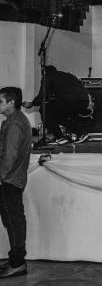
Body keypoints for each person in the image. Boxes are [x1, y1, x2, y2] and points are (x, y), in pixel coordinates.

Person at [0, 87, 32, 278]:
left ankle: (17, 263)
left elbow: (9, 156)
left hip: (9, 180)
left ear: (11, 103)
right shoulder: (17, 120)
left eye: (1, 101)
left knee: (13, 221)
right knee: (14, 220)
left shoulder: (14, 124)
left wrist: (1, 176)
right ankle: (16, 260)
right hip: (13, 179)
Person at [23, 66, 91, 145]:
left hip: (71, 101)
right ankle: (81, 134)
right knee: (61, 116)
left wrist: (31, 103)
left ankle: (60, 137)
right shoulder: (67, 75)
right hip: (84, 101)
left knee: (44, 110)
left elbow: (42, 96)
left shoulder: (48, 76)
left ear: (44, 73)